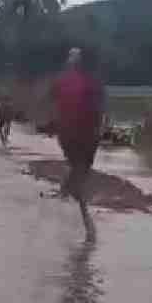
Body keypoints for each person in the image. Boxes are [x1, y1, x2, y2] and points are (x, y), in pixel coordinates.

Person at [50, 47, 106, 238]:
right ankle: (86, 223)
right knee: (80, 173)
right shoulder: (91, 82)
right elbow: (98, 110)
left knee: (77, 171)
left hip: (67, 136)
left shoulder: (62, 81)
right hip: (84, 136)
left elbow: (52, 102)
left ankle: (66, 196)